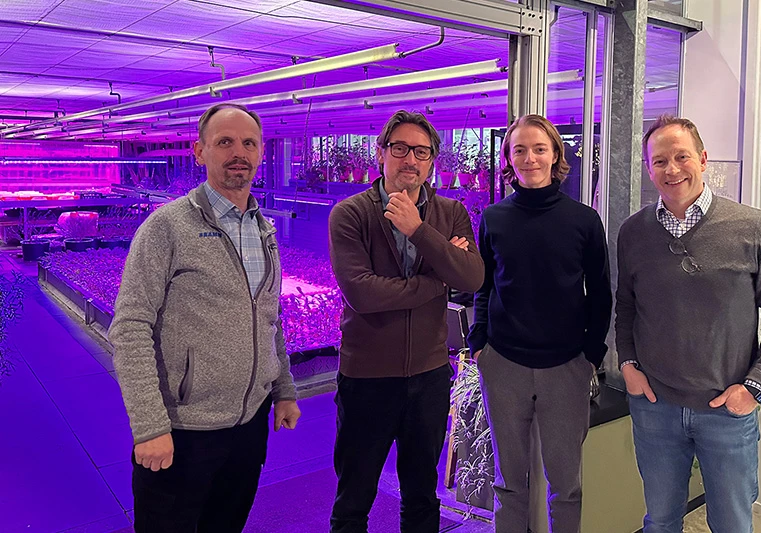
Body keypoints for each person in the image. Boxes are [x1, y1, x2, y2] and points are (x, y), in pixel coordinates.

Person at [109, 103, 301, 533]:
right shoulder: (167, 227)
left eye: (249, 143)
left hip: (249, 428)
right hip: (182, 432)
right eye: (225, 142)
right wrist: (149, 426)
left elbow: (270, 315)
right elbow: (130, 327)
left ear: (261, 152)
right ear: (199, 152)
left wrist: (284, 388)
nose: (239, 152)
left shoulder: (263, 228)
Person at [615, 115, 761, 533]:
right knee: (660, 521)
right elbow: (625, 306)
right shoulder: (633, 232)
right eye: (660, 161)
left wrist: (755, 386)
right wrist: (628, 365)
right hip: (655, 408)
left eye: (682, 157)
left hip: (726, 410)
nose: (672, 169)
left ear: (702, 159)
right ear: (649, 169)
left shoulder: (753, 227)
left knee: (732, 524)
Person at [327, 110, 485, 533]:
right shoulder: (351, 214)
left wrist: (420, 231)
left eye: (421, 151)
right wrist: (438, 281)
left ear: (432, 161)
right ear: (381, 154)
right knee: (354, 498)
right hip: (366, 379)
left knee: (421, 496)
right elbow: (362, 294)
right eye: (399, 149)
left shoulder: (450, 213)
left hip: (429, 378)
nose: (409, 160)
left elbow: (472, 278)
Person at [467, 114, 612, 533]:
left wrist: (590, 355)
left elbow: (600, 294)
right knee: (509, 483)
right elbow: (485, 284)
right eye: (519, 150)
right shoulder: (494, 218)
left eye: (539, 149)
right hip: (504, 364)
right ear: (508, 159)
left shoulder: (584, 220)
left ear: (555, 155)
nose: (529, 158)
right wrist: (480, 344)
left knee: (566, 486)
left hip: (566, 366)